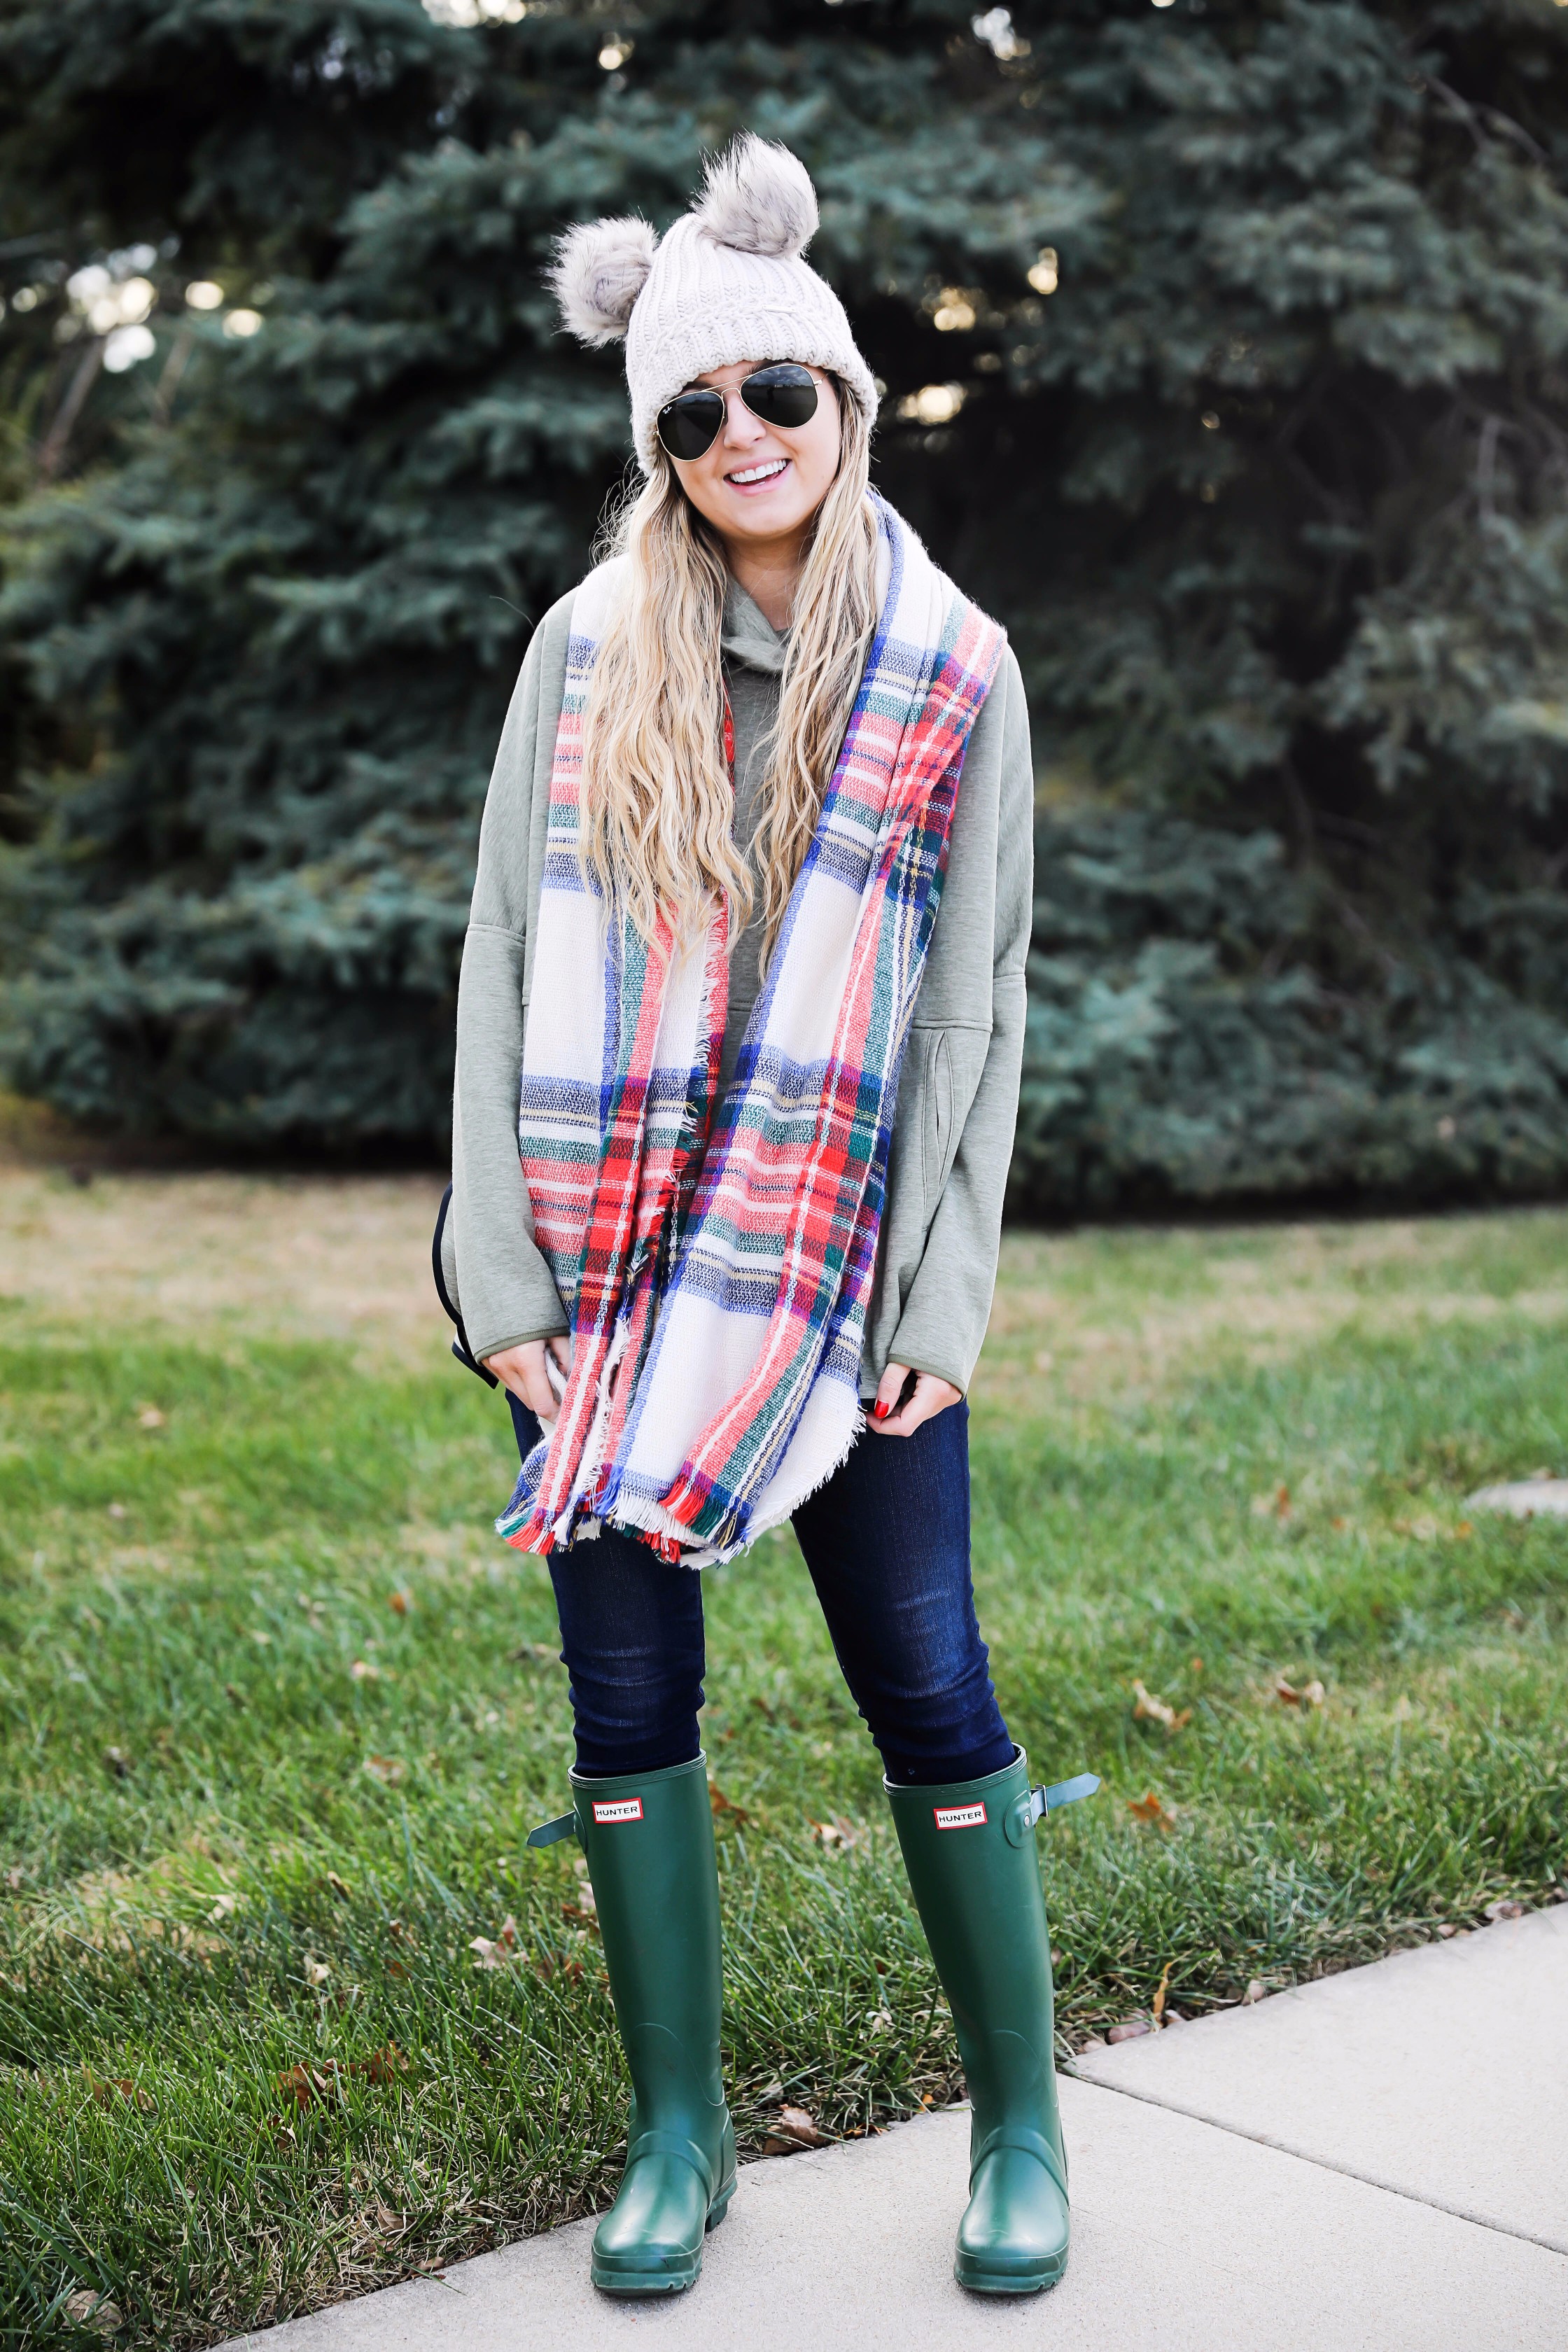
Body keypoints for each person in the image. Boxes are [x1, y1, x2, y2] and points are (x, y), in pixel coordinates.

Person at [440, 136, 1074, 2301]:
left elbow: (977, 1001)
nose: (738, 441)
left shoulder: (953, 670)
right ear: (659, 441)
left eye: (775, 398)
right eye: (693, 413)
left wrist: (945, 1287)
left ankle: (1019, 2131)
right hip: (608, 1277)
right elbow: (505, 956)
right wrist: (498, 1277)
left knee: (923, 1669)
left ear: (846, 402)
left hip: (840, 1266)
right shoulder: (585, 652)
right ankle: (680, 2138)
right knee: (626, 1702)